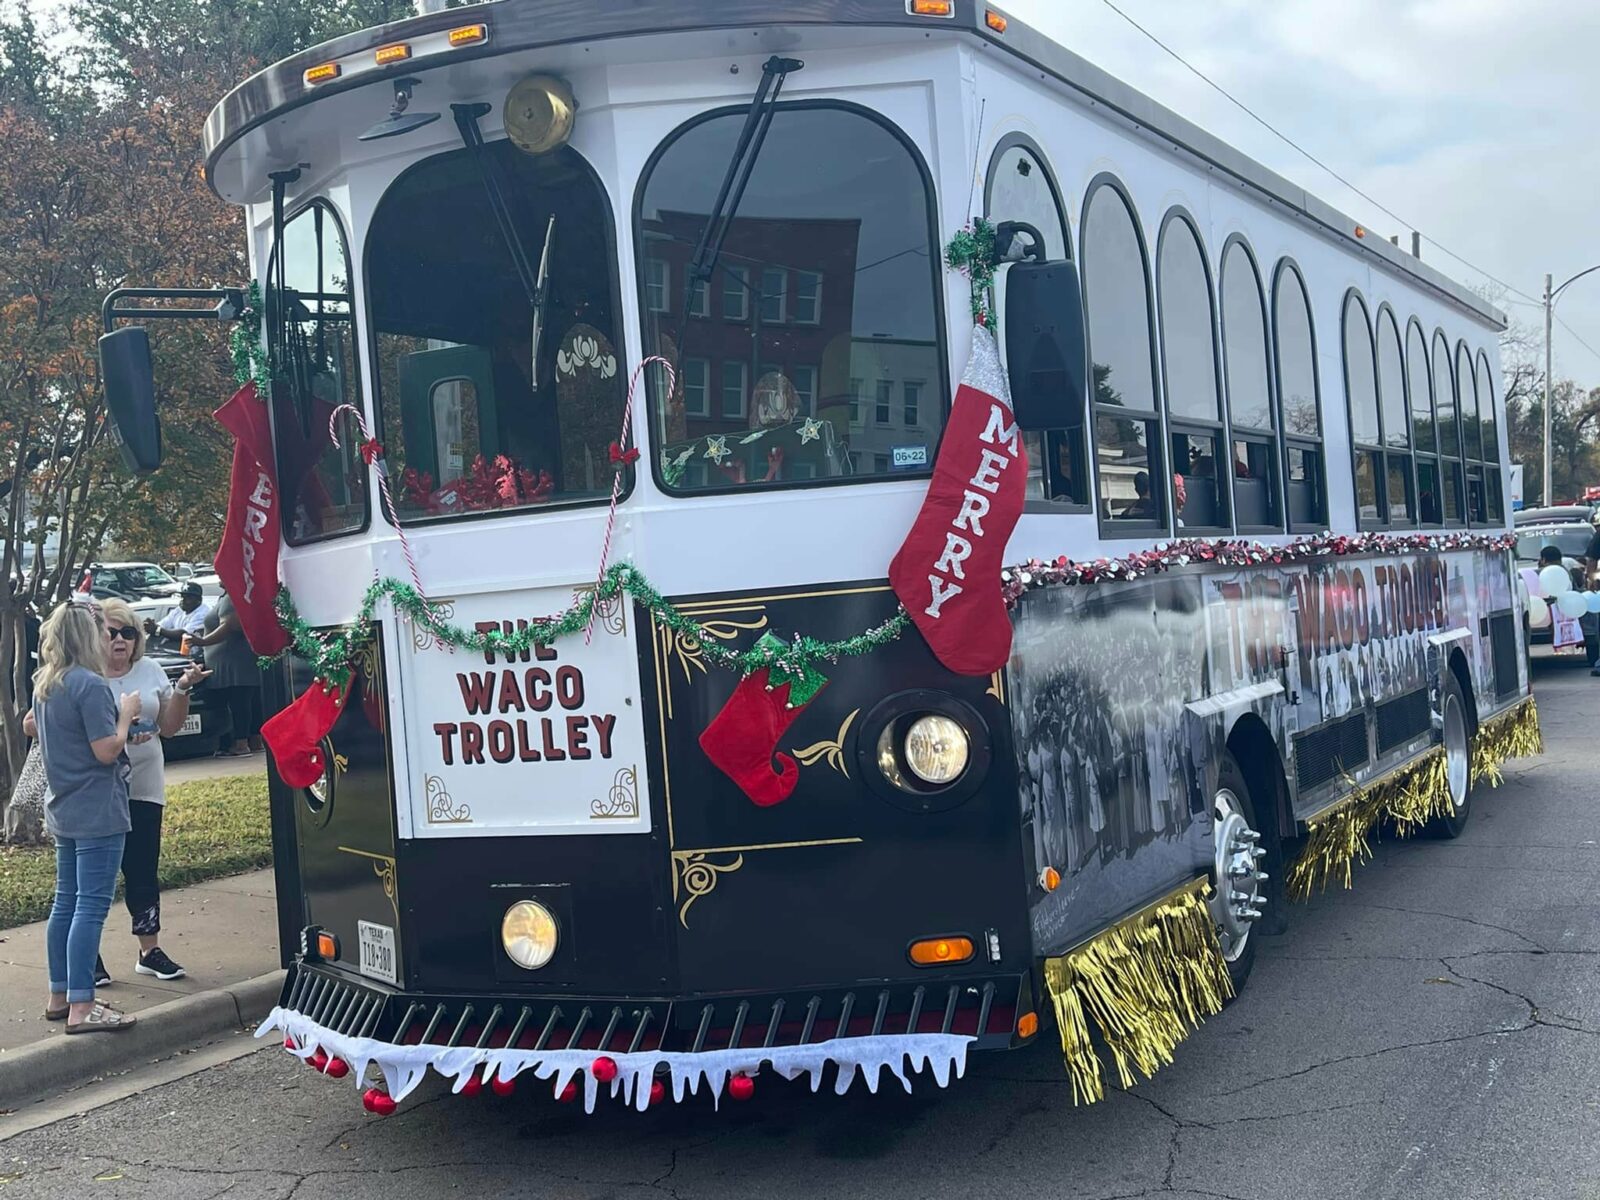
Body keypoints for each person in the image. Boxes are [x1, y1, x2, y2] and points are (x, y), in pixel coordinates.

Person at [30, 601, 141, 1033]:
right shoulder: (89, 685)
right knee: (90, 907)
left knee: (66, 901)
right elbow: (105, 751)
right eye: (102, 631)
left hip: (63, 806)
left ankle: (61, 993)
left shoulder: (47, 683)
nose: (109, 639)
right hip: (98, 808)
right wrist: (126, 716)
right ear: (86, 637)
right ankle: (82, 1005)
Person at [99, 598, 209, 980]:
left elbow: (170, 727)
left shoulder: (149, 671)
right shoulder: (84, 675)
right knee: (98, 875)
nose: (120, 640)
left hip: (145, 785)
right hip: (99, 791)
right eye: (111, 632)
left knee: (143, 868)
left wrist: (181, 690)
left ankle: (149, 950)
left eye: (128, 633)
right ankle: (89, 955)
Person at [191, 589, 262, 757]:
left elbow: (229, 625)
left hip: (233, 664)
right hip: (235, 662)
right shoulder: (229, 595)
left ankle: (241, 744)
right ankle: (254, 742)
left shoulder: (232, 596)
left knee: (239, 704)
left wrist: (202, 641)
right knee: (247, 702)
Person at [144, 582, 211, 651]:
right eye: (182, 596)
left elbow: (184, 634)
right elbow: (164, 624)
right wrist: (151, 626)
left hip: (196, 654)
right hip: (177, 651)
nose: (184, 600)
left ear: (199, 600)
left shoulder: (203, 613)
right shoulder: (180, 609)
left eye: (188, 597)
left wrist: (158, 630)